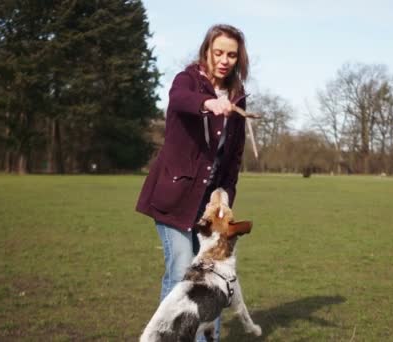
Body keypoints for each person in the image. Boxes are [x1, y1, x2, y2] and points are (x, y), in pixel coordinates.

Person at [135, 24, 249, 341]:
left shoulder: (239, 97)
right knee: (181, 270)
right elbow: (180, 99)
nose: (224, 60)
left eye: (231, 55)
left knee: (211, 278)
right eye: (218, 53)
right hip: (174, 196)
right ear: (206, 52)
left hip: (208, 206)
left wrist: (225, 194)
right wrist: (208, 103)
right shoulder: (187, 80)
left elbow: (234, 157)